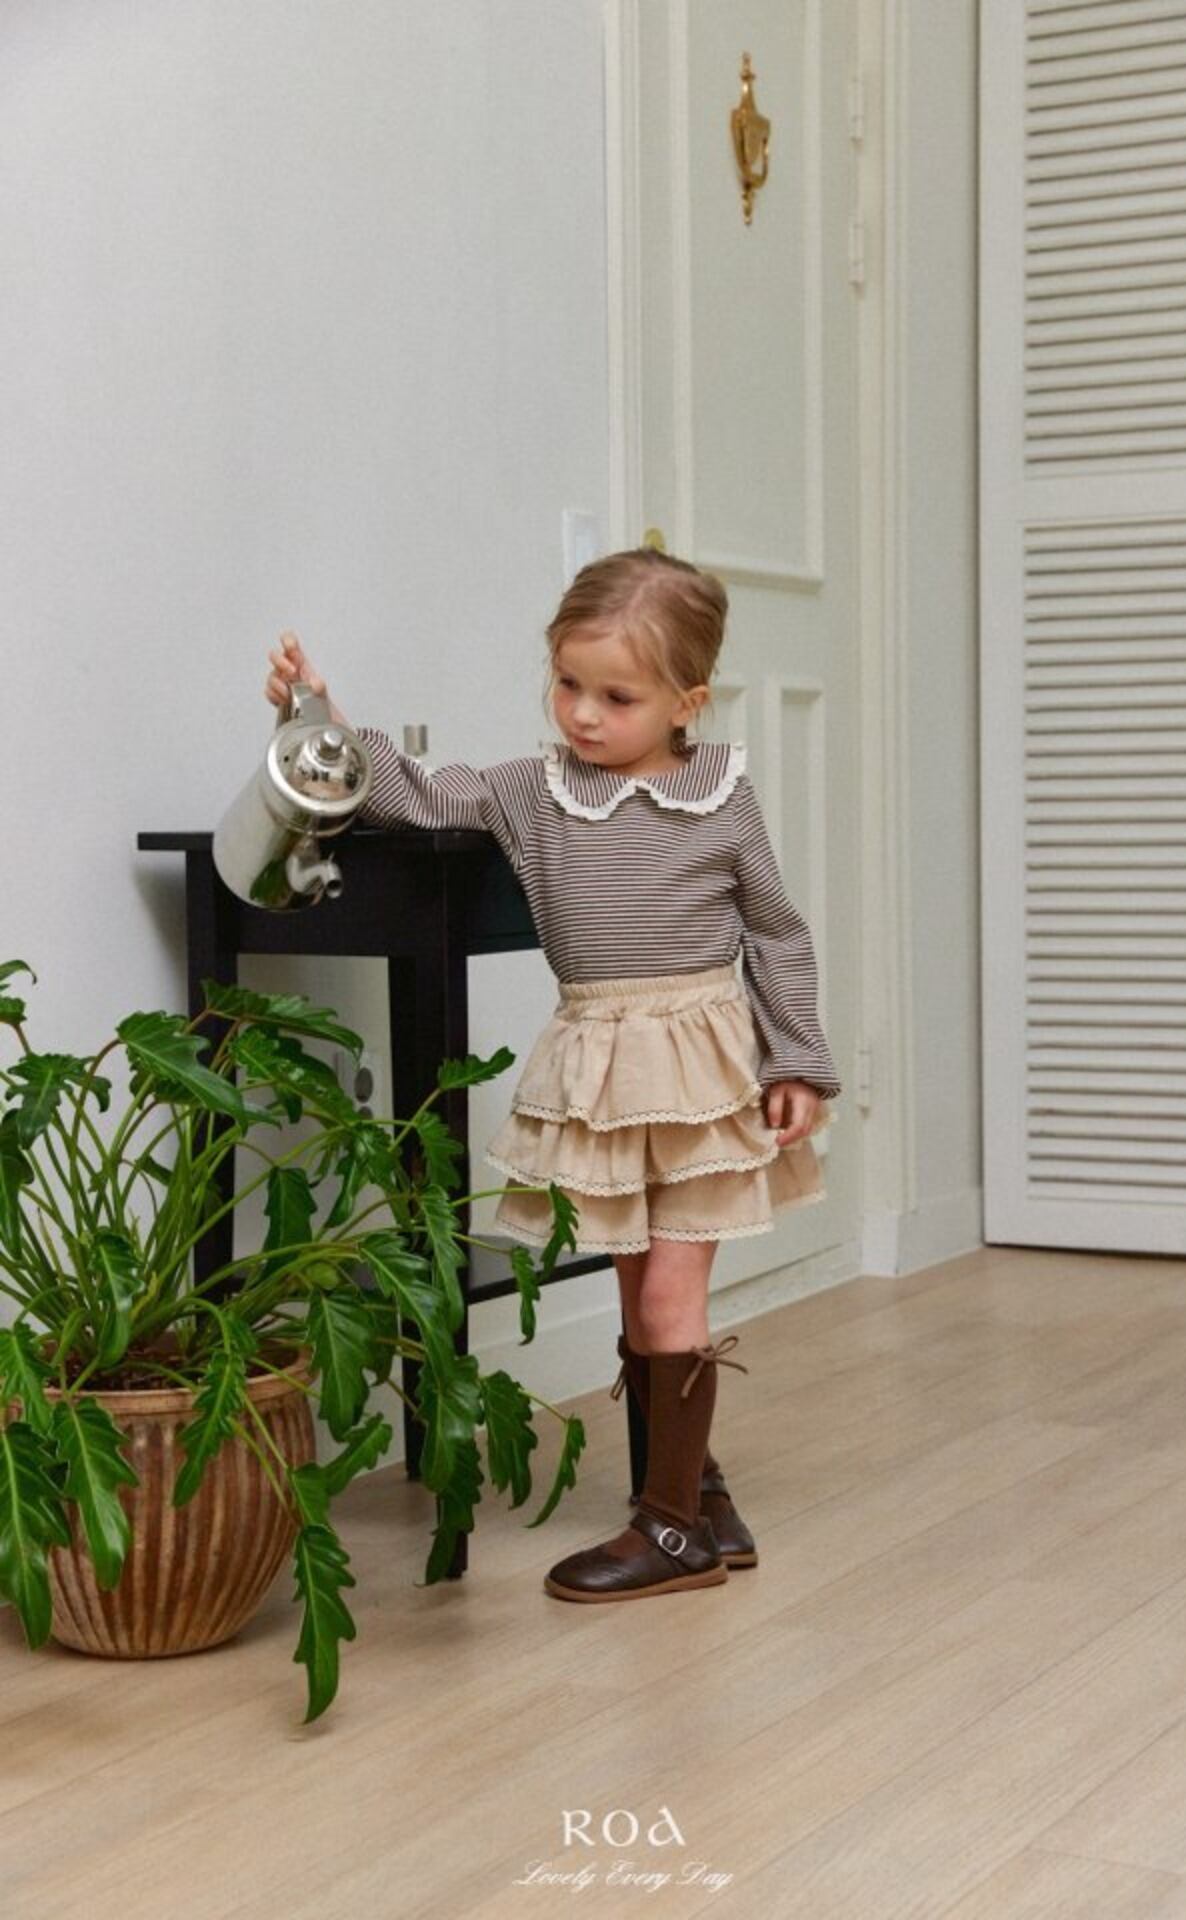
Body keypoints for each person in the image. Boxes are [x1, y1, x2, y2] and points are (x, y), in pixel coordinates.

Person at [263, 546, 841, 1604]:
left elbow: (775, 932)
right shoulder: (533, 792)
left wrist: (796, 1057)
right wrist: (321, 722)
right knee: (633, 1289)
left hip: (702, 1071)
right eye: (568, 683)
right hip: (600, 1072)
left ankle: (670, 1533)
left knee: (668, 1293)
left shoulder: (721, 798)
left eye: (617, 697)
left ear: (686, 703)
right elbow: (415, 797)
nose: (582, 713)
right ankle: (698, 1495)